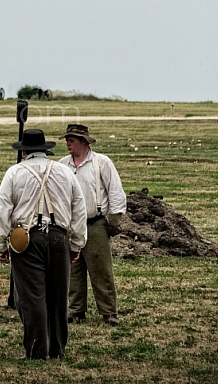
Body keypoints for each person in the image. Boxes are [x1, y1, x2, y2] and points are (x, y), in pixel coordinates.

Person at [0, 129, 86, 360]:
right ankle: (57, 349)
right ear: (45, 150)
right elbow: (79, 209)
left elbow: (2, 211)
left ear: (24, 151)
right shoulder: (65, 172)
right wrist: (76, 244)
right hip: (59, 237)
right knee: (58, 297)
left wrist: (0, 245)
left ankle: (37, 350)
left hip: (28, 239)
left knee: (32, 297)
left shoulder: (14, 173)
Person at [59, 123, 126, 326]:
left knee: (101, 269)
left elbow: (115, 191)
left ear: (83, 142)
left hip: (95, 223)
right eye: (67, 140)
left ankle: (108, 311)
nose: (68, 144)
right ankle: (76, 310)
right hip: (71, 225)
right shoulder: (62, 165)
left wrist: (114, 219)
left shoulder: (101, 163)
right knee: (73, 269)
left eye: (71, 140)